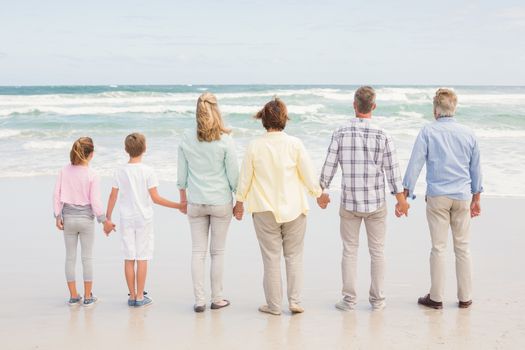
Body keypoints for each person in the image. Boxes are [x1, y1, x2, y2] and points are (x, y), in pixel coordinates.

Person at [234, 98, 328, 315]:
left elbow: (245, 178)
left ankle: (274, 306)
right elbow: (308, 174)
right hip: (295, 208)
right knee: (294, 257)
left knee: (271, 258)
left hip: (264, 210)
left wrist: (239, 202)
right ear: (285, 118)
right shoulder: (295, 144)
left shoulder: (254, 145)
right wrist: (319, 195)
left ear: (263, 120)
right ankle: (294, 301)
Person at [319, 86, 409, 311]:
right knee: (377, 251)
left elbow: (329, 166)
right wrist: (401, 200)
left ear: (354, 105)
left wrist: (322, 190)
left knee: (349, 250)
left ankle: (349, 301)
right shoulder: (383, 134)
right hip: (376, 203)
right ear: (374, 107)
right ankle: (377, 300)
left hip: (349, 202)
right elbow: (393, 172)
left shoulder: (340, 132)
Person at [403, 88, 483, 309]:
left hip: (438, 196)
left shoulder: (428, 132)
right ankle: (465, 297)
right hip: (462, 196)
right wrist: (476, 197)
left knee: (438, 247)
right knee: (463, 247)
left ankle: (436, 298)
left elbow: (415, 163)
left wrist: (405, 193)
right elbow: (476, 168)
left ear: (436, 109)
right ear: (454, 108)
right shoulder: (468, 133)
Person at [177, 93, 239, 313]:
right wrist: (239, 200)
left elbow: (181, 175)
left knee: (197, 252)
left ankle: (199, 300)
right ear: (216, 110)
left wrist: (183, 200)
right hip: (220, 202)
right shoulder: (225, 139)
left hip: (195, 202)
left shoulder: (186, 137)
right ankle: (217, 298)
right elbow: (234, 176)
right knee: (218, 252)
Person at [105, 133, 183, 308]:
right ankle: (140, 296)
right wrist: (178, 205)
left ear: (126, 150)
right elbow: (156, 198)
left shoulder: (120, 170)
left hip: (126, 218)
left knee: (128, 257)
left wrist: (108, 219)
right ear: (145, 148)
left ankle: (132, 295)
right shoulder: (148, 171)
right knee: (142, 257)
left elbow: (113, 196)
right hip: (144, 219)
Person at [53, 137, 115, 307]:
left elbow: (57, 195)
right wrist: (104, 221)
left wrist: (58, 216)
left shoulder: (64, 171)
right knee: (87, 258)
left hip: (68, 220)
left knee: (70, 258)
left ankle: (73, 297)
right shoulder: (93, 175)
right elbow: (95, 202)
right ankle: (88, 297)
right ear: (91, 155)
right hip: (86, 220)